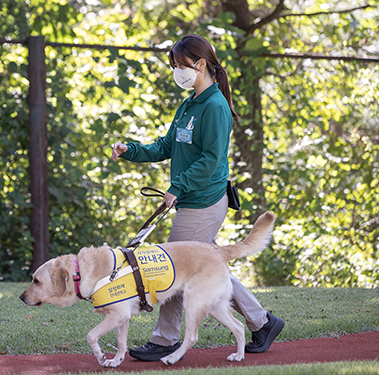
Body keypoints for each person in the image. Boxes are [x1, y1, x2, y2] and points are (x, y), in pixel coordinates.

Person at [111, 34, 284, 362]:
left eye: (180, 65)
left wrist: (179, 187)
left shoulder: (215, 107)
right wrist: (131, 150)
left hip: (204, 201)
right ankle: (263, 321)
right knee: (207, 266)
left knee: (176, 265)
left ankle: (164, 340)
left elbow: (211, 159)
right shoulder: (190, 103)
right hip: (191, 199)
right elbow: (167, 145)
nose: (177, 71)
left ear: (200, 64)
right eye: (175, 66)